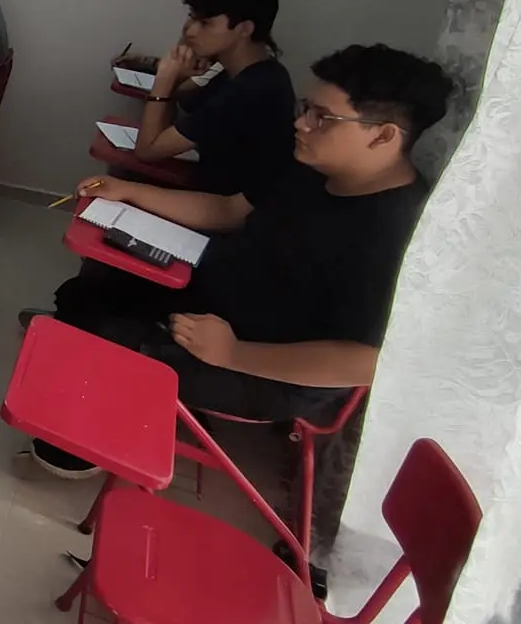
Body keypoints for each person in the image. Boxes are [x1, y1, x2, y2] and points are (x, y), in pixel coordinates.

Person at [29, 44, 451, 479]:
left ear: (382, 135)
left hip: (263, 368)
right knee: (91, 286)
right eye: (305, 108)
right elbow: (229, 211)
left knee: (101, 337)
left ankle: (78, 446)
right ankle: (75, 381)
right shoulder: (315, 169)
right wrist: (130, 193)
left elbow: (367, 361)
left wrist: (232, 354)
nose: (301, 124)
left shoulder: (395, 232)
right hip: (217, 304)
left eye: (321, 117)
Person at [131, 0, 296, 197]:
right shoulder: (242, 71)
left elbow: (147, 150)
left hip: (227, 210)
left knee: (123, 176)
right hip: (209, 187)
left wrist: (164, 78)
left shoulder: (252, 89)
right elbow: (178, 115)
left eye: (206, 23)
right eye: (192, 16)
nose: (189, 30)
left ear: (245, 29)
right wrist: (177, 77)